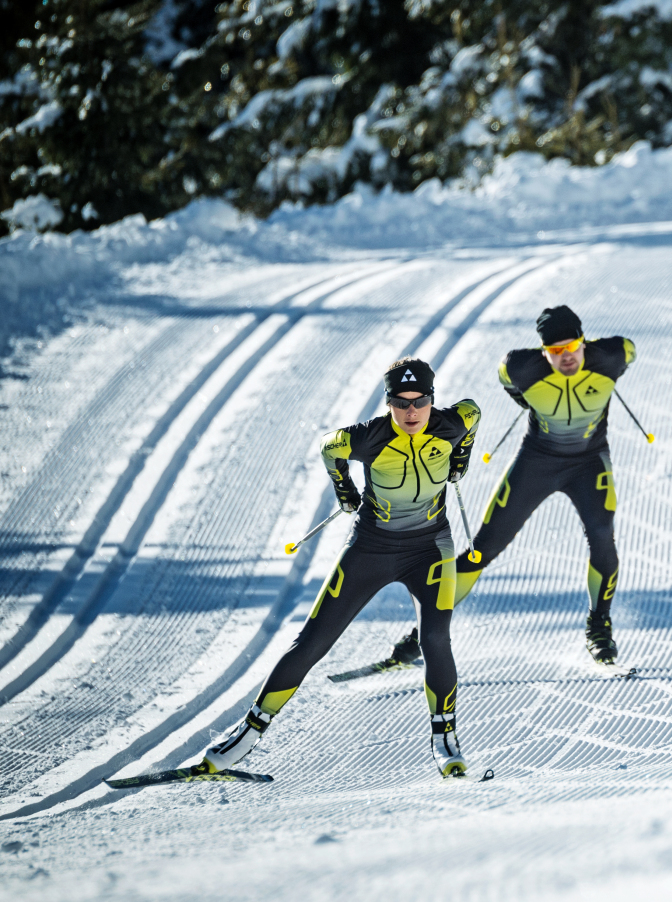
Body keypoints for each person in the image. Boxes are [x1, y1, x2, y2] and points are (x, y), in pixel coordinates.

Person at [198, 357, 481, 777]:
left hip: (430, 548)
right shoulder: (370, 437)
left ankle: (445, 739)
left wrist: (462, 457)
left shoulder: (451, 424)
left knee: (436, 639)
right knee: (312, 641)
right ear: (387, 403)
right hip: (372, 547)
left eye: (420, 401)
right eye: (400, 403)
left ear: (431, 399)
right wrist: (344, 489)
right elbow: (329, 446)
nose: (411, 412)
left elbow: (473, 412)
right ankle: (248, 732)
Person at [383, 305, 636, 669]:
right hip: (538, 462)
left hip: (589, 462)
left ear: (585, 342)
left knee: (601, 536)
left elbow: (630, 353)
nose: (565, 357)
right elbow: (508, 382)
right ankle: (424, 631)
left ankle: (599, 626)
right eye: (555, 352)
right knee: (480, 549)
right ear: (543, 352)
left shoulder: (612, 355)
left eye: (572, 347)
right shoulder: (520, 367)